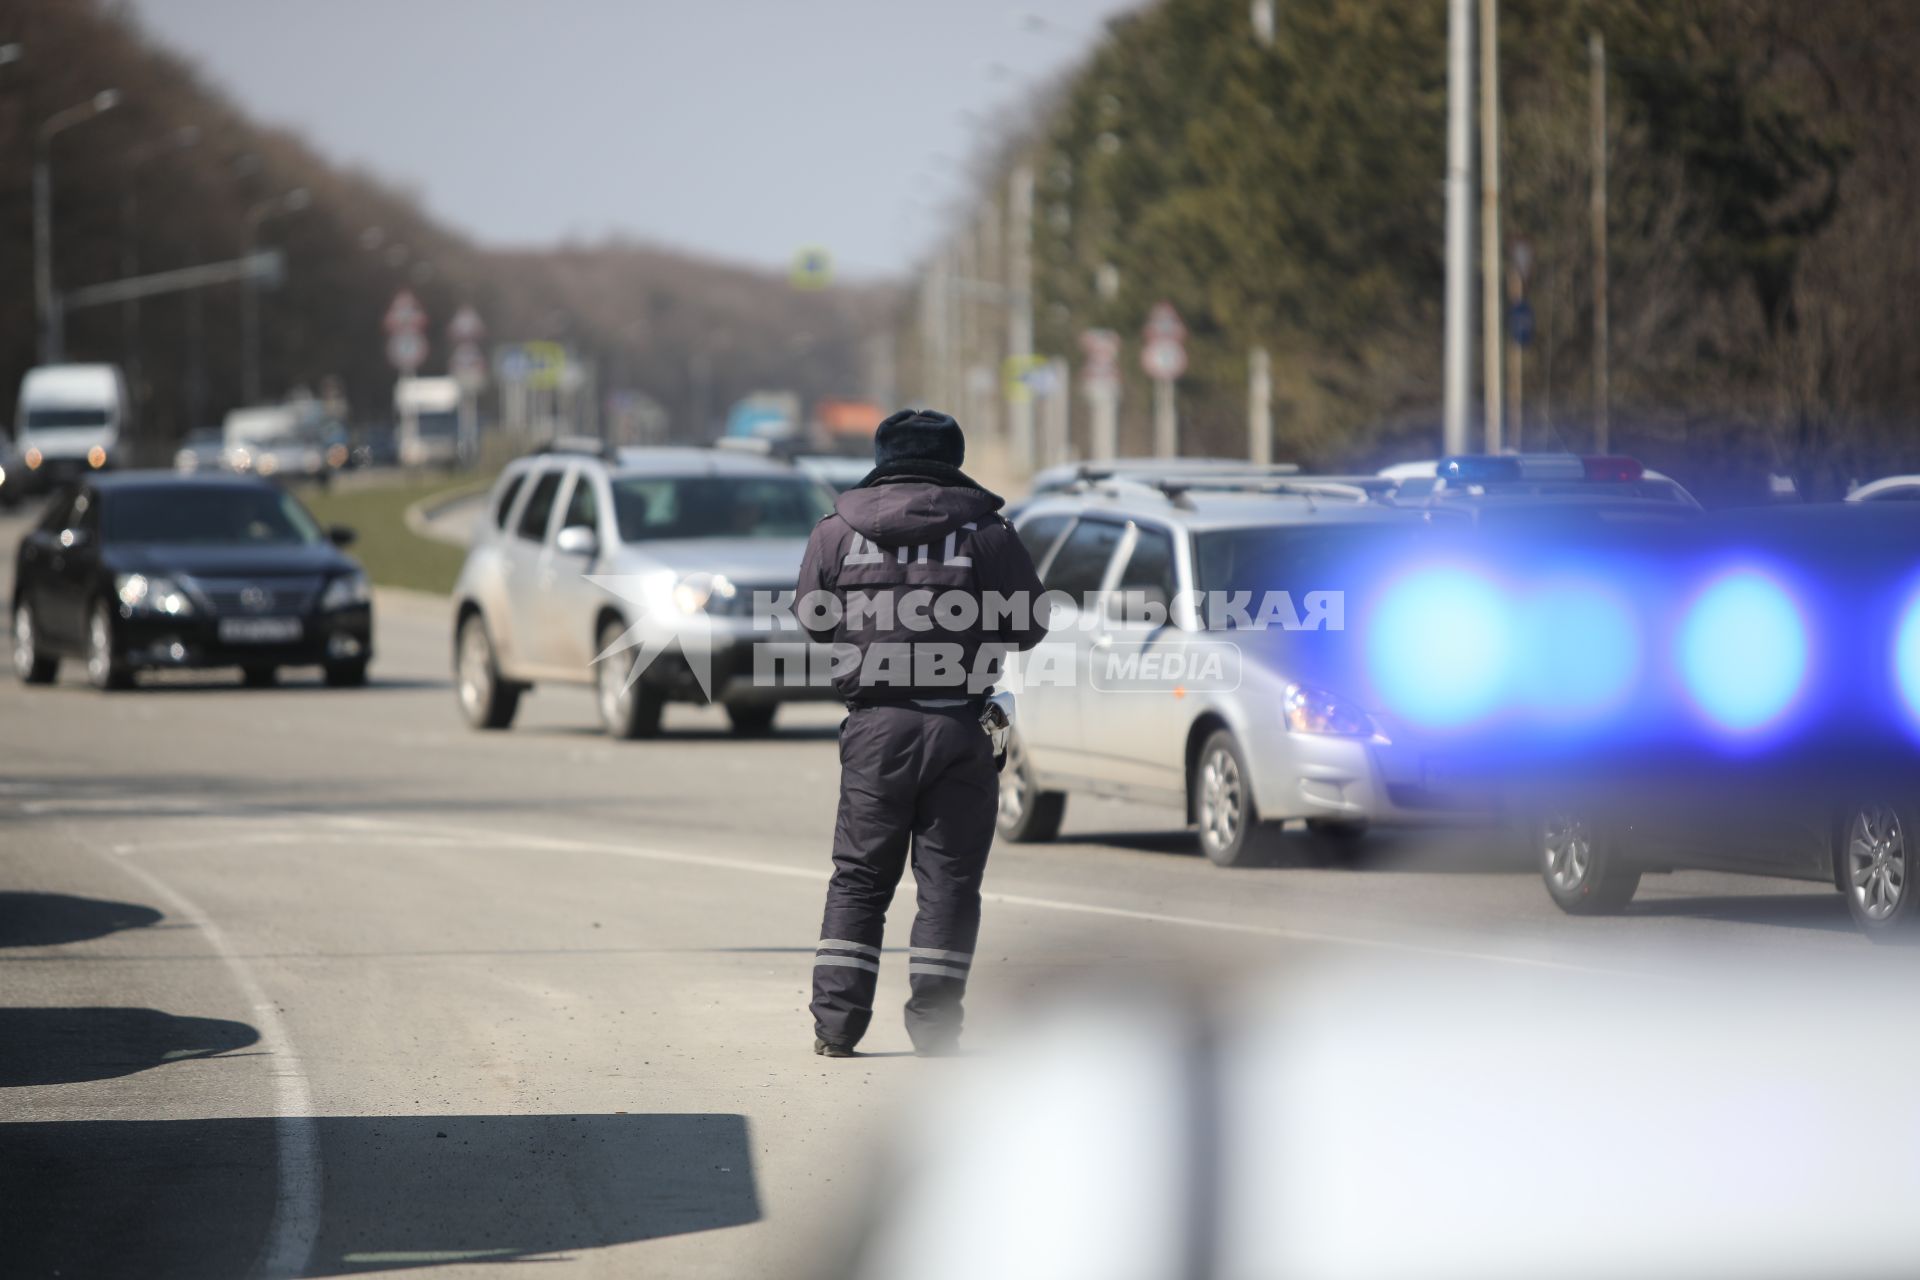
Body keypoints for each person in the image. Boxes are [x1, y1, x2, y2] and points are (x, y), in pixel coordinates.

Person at [794, 409, 1048, 1057]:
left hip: (875, 729)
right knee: (950, 885)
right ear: (953, 459)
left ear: (882, 457)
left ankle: (836, 1029)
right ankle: (934, 1031)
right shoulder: (987, 533)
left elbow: (814, 622)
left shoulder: (835, 532)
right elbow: (1029, 628)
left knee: (858, 880)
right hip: (960, 728)